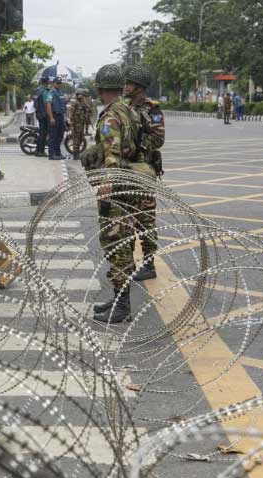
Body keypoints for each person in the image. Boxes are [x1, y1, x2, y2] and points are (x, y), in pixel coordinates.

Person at [83, 63, 149, 324]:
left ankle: (122, 306)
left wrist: (107, 184)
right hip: (130, 182)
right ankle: (119, 298)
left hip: (118, 187)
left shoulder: (111, 116)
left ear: (100, 89)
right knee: (123, 242)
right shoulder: (128, 111)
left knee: (116, 245)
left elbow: (112, 152)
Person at [123, 63, 164, 282]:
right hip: (124, 171)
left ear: (139, 86)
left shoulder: (151, 109)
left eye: (129, 83)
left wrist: (136, 144)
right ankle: (127, 263)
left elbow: (159, 139)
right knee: (125, 219)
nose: (125, 86)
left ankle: (149, 265)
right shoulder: (123, 106)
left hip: (143, 171)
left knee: (145, 220)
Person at [44, 76, 67, 160]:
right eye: (57, 83)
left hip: (60, 116)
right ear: (53, 83)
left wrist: (66, 100)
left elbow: (62, 103)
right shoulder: (50, 92)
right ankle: (52, 154)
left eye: (60, 83)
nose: (59, 85)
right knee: (53, 136)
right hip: (54, 116)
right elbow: (48, 105)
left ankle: (58, 153)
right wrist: (51, 117)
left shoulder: (60, 92)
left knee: (60, 135)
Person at [68, 88, 92, 157]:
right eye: (81, 94)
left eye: (83, 95)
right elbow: (71, 115)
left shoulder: (82, 102)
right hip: (76, 124)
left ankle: (77, 152)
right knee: (76, 139)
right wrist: (72, 126)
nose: (82, 96)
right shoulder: (75, 103)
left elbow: (88, 111)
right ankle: (75, 154)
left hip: (81, 124)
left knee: (81, 138)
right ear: (77, 94)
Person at [34, 76, 50, 157]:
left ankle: (37, 150)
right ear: (47, 82)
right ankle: (41, 151)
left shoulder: (37, 90)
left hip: (38, 114)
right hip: (44, 115)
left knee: (41, 133)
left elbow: (35, 104)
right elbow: (47, 104)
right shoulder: (45, 91)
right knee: (43, 134)